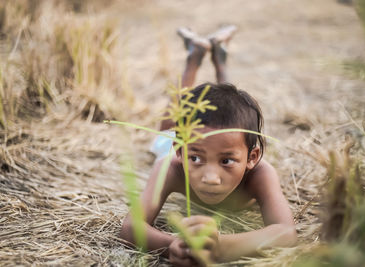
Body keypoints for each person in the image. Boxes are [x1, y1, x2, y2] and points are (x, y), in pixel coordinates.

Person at [120, 26, 297, 266]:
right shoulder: (170, 165)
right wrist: (171, 245)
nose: (211, 178)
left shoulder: (260, 173)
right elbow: (131, 227)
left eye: (226, 161)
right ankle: (193, 59)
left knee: (230, 108)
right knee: (171, 120)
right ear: (181, 152)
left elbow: (286, 232)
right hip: (189, 137)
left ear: (252, 157)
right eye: (195, 158)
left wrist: (220, 247)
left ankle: (219, 58)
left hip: (214, 139)